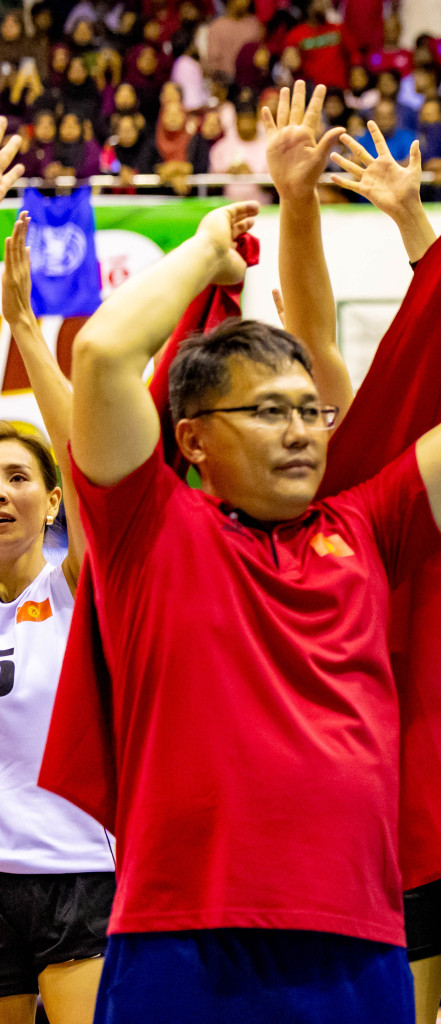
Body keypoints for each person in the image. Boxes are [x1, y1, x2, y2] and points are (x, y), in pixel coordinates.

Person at [61, 107, 441, 1020]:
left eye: (308, 412)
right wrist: (206, 249)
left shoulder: (366, 523)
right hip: (179, 931)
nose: (301, 433)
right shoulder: (146, 528)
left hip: (354, 933)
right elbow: (105, 353)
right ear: (193, 438)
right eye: (269, 412)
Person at [0, 207, 104, 1024]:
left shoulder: (74, 586)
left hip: (75, 872)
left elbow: (90, 458)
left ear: (54, 498)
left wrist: (26, 328)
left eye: (18, 477)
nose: (1, 493)